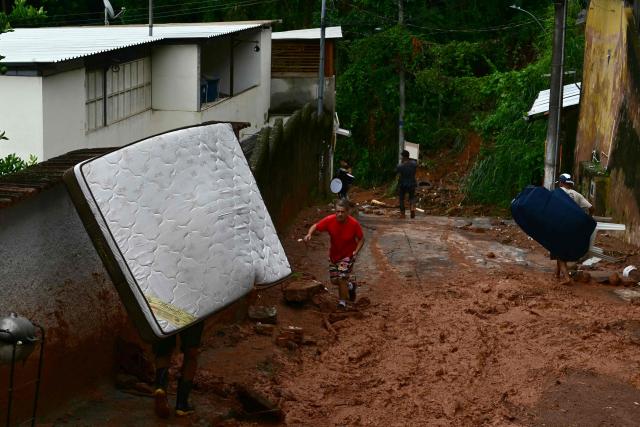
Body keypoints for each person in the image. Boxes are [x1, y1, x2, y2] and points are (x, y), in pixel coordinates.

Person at [304, 199, 365, 308]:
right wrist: (309, 234)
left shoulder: (354, 224)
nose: (339, 214)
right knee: (334, 281)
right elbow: (316, 226)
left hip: (347, 256)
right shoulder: (329, 220)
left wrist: (356, 251)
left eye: (342, 212)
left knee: (342, 277)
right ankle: (350, 285)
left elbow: (361, 239)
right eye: (337, 211)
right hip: (334, 256)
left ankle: (342, 303)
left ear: (347, 212)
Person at [152, 321, 205, 418]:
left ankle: (160, 388)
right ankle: (182, 405)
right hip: (193, 312)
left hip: (166, 309)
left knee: (163, 351)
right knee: (191, 355)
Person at [553, 173, 594, 280]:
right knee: (561, 250)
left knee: (558, 251)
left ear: (561, 183)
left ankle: (567, 278)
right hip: (574, 228)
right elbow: (591, 208)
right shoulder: (577, 195)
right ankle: (557, 274)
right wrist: (588, 220)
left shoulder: (557, 193)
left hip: (560, 226)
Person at [396, 149, 418, 218]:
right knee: (412, 197)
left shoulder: (400, 166)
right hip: (412, 183)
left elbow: (396, 171)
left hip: (403, 184)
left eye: (402, 157)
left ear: (403, 157)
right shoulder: (414, 164)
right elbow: (415, 165)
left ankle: (403, 214)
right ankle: (412, 209)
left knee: (401, 199)